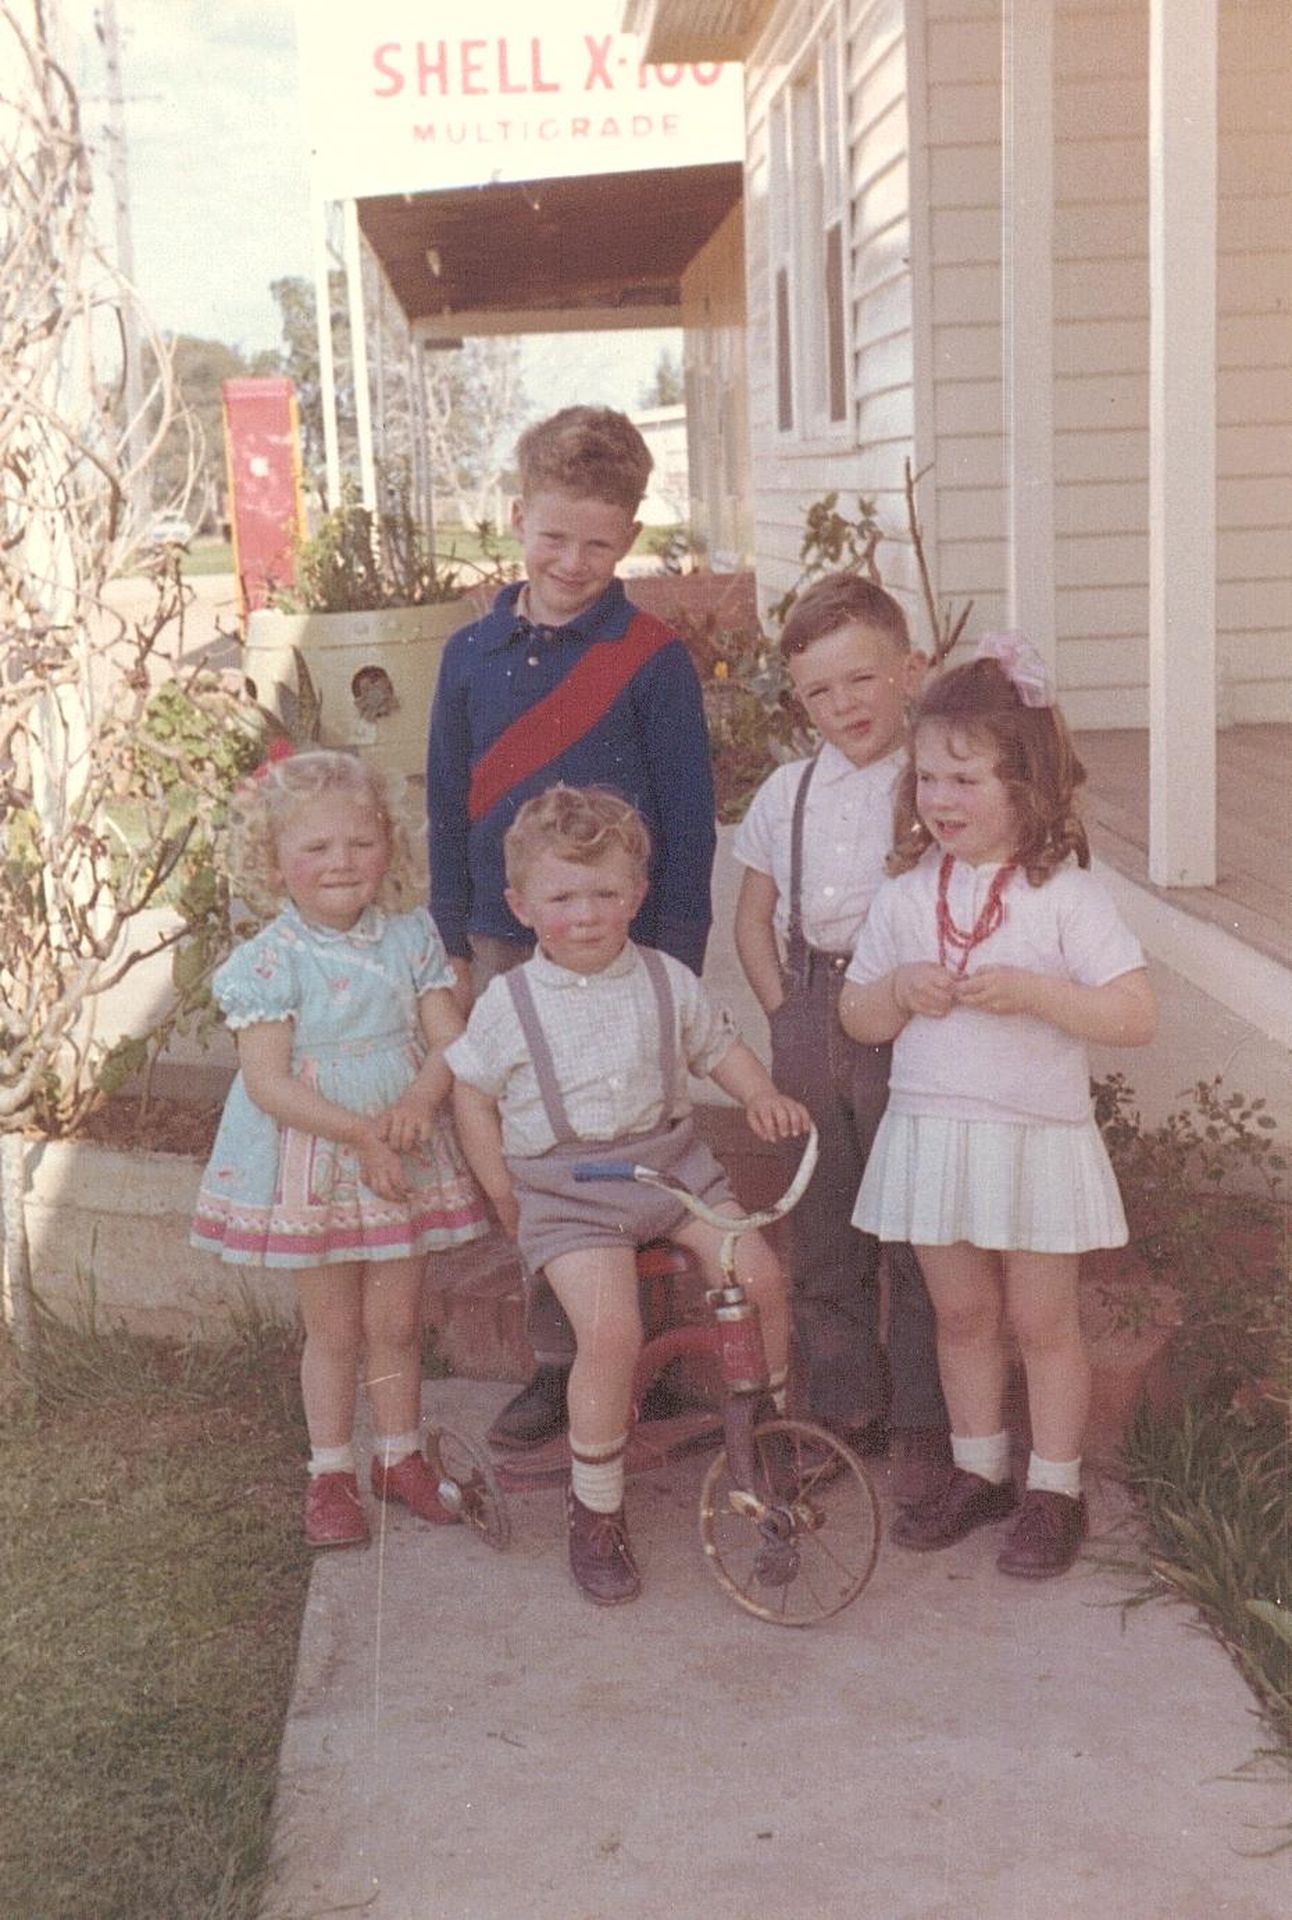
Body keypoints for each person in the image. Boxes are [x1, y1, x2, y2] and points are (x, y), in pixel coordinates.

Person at [427, 405, 717, 1454]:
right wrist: (454, 940)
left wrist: (672, 960)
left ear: (629, 539)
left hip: (632, 947)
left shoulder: (652, 657)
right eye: (552, 536)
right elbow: (445, 800)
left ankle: (672, 1354)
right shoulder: (467, 655)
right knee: (540, 1152)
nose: (572, 561)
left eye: (598, 542)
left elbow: (687, 819)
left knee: (650, 1141)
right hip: (509, 941)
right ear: (517, 518)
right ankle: (563, 1361)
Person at [445, 786, 811, 1606]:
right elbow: (469, 1092)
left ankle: (768, 1431)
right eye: (563, 897)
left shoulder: (664, 978)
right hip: (567, 1190)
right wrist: (500, 1187)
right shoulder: (513, 1002)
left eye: (606, 894)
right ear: (522, 906)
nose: (586, 914)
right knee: (612, 1329)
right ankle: (596, 1507)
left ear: (636, 896)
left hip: (673, 1169)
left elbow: (719, 1048)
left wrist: (757, 1095)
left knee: (762, 1278)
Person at [839, 635, 1156, 1577]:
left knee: (1042, 1322)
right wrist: (898, 990)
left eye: (966, 779)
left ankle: (1053, 1488)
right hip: (935, 1133)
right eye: (928, 777)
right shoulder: (904, 894)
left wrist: (1041, 994)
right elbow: (857, 1015)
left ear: (1028, 784)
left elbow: (1135, 1014)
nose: (941, 799)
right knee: (962, 1314)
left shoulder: (1067, 896)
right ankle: (980, 1473)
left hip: (1033, 1138)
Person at [191, 747, 490, 1549]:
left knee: (396, 1322)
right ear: (276, 861)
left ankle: (398, 1458)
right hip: (320, 1162)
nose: (340, 862)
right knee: (336, 1328)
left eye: (359, 843)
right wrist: (361, 1132)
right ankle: (330, 1473)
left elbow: (447, 1036)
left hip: (404, 1149)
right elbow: (268, 1082)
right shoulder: (269, 962)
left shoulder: (411, 938)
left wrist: (420, 1101)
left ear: (388, 847)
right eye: (315, 848)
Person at [732, 574, 950, 1508]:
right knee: (823, 1225)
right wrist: (786, 1009)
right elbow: (753, 916)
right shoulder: (791, 789)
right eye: (818, 692)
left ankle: (924, 1427)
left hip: (916, 1017)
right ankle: (847, 1413)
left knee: (914, 1229)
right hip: (815, 1010)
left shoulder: (940, 774)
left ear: (910, 670)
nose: (843, 706)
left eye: (860, 680)